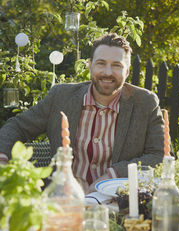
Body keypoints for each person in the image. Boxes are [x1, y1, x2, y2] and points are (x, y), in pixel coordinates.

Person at [0, 33, 164, 193]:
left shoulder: (145, 103)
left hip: (119, 203)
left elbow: (160, 155)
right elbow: (17, 126)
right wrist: (2, 158)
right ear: (90, 65)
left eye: (116, 65)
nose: (107, 72)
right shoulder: (61, 97)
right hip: (63, 200)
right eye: (101, 63)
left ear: (127, 71)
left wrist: (113, 174)